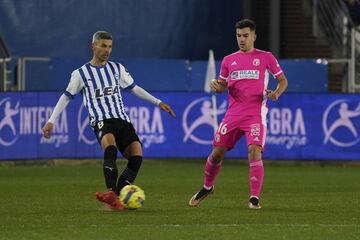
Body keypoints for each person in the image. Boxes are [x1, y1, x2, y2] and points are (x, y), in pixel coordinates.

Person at [42, 31, 175, 210]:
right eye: (103, 46)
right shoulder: (81, 74)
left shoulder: (116, 69)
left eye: (110, 46)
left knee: (136, 157)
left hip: (122, 119)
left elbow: (134, 88)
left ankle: (116, 197)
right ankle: (111, 191)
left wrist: (158, 102)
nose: (107, 50)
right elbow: (66, 97)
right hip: (101, 120)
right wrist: (51, 120)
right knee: (110, 148)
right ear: (93, 46)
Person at [188, 19, 288, 209]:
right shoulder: (228, 60)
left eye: (245, 35)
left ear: (254, 36)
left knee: (254, 150)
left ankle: (254, 198)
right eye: (238, 36)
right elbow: (222, 85)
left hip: (255, 115)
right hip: (233, 115)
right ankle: (207, 187)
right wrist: (217, 86)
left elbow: (283, 80)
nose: (242, 39)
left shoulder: (266, 57)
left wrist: (276, 93)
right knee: (216, 154)